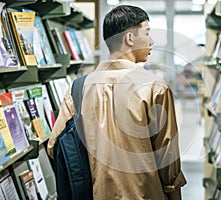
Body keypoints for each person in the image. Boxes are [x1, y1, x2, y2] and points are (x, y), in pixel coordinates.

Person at [47, 5, 186, 200]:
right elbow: (167, 159)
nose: (151, 41)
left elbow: (54, 145)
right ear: (129, 38)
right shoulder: (155, 87)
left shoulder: (78, 88)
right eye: (147, 33)